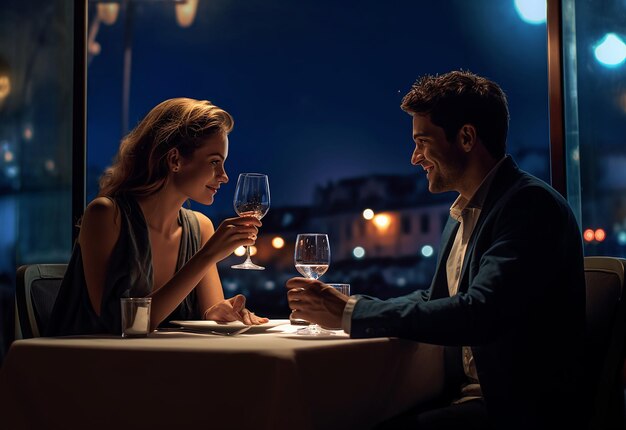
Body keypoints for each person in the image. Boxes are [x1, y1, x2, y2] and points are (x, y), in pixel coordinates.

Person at [286, 71, 586, 429]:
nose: (415, 158)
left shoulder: (529, 205)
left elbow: (481, 312)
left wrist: (352, 313)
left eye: (422, 141)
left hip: (515, 410)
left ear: (466, 137)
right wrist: (347, 307)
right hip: (465, 395)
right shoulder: (465, 211)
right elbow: (436, 298)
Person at [48, 97, 267, 336]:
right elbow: (123, 326)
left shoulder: (201, 227)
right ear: (174, 160)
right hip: (93, 366)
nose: (224, 176)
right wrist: (207, 255)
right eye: (215, 161)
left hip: (163, 366)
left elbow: (210, 319)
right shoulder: (106, 215)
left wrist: (220, 313)